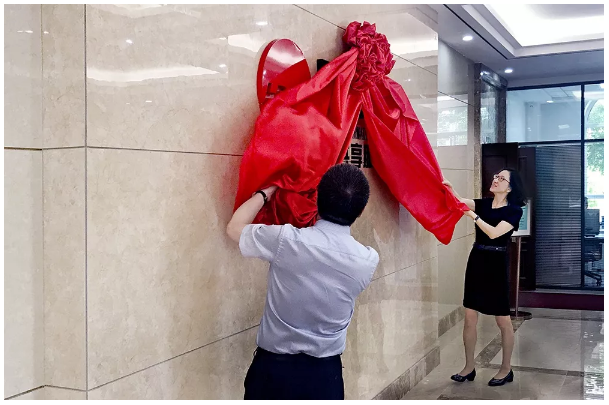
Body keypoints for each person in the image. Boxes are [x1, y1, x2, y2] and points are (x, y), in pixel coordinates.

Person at [226, 163, 379, 400]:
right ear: (361, 211)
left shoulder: (286, 241)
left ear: (317, 198)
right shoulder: (367, 259)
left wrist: (267, 192)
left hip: (272, 375)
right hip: (325, 379)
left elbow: (234, 228)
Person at [443, 168, 525, 387]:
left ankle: (506, 369)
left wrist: (473, 216)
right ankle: (469, 367)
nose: (495, 179)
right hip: (477, 260)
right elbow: (459, 202)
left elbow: (494, 233)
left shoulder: (514, 211)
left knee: (502, 320)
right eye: (496, 176)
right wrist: (450, 187)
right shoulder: (484, 203)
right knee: (470, 315)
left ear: (510, 187)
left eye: (501, 178)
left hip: (496, 264)